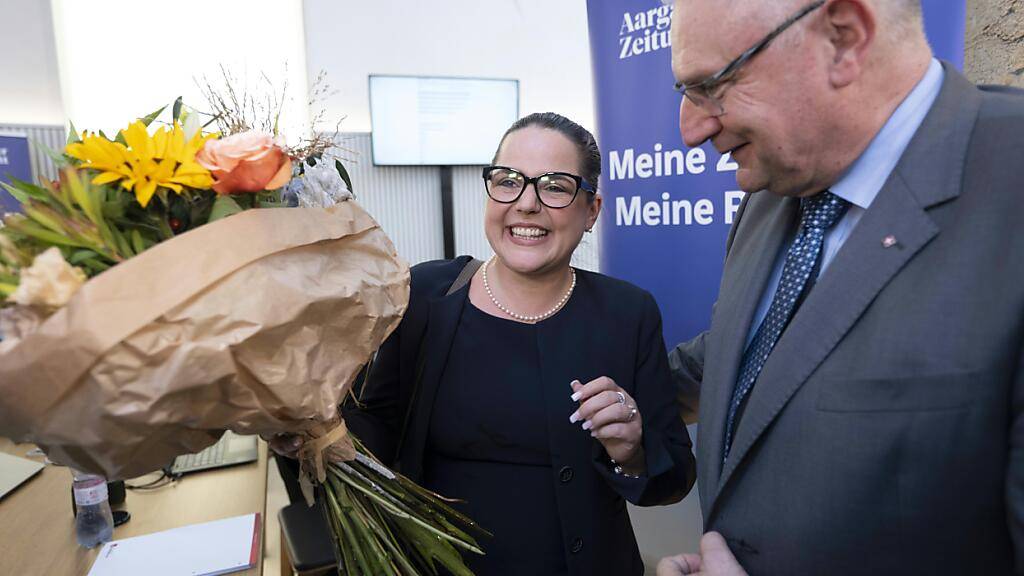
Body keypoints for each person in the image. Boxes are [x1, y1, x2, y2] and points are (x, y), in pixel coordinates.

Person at [657, 0, 1024, 574]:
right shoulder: (770, 194)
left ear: (845, 38)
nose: (691, 129)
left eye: (711, 85)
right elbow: (758, 360)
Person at [341, 112, 696, 575]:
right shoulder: (424, 297)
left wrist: (633, 451)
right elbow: (366, 442)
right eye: (508, 181)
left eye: (554, 186)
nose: (526, 204)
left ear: (591, 210)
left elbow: (671, 481)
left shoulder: (627, 314)